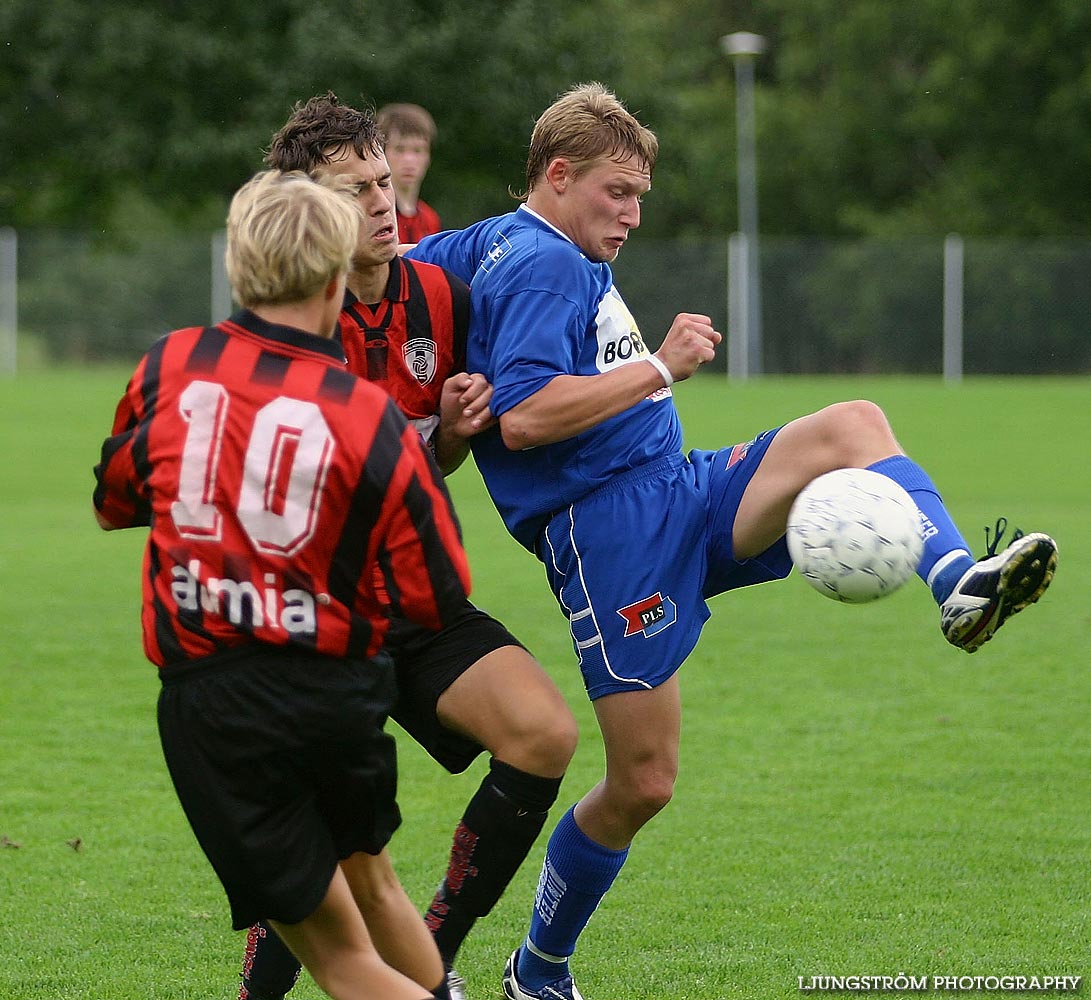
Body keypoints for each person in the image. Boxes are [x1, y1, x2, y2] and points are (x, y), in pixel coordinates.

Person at [404, 82, 1060, 1000]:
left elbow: (410, 263)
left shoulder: (500, 238)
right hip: (609, 534)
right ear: (558, 176)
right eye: (616, 193)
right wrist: (657, 367)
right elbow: (521, 419)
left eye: (640, 197)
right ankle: (538, 971)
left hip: (676, 487)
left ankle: (956, 581)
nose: (632, 215)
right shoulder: (542, 261)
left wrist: (359, 230)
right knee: (643, 781)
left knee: (851, 425)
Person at [93, 169, 474, 1000]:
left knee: (340, 961)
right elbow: (435, 593)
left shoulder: (174, 363)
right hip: (338, 694)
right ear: (338, 279)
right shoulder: (366, 414)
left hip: (218, 701)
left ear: (237, 267)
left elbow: (113, 500)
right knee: (374, 884)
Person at [236, 93, 579, 1000]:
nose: (383, 203)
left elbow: (431, 462)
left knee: (542, 734)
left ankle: (431, 962)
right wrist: (432, 441)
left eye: (384, 181)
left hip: (415, 595)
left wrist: (458, 433)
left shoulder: (439, 295)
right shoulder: (283, 324)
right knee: (329, 842)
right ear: (307, 212)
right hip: (315, 612)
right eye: (356, 192)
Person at [377, 102, 442, 244]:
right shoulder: (375, 214)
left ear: (428, 156)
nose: (409, 159)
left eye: (418, 150)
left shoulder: (430, 218)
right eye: (399, 149)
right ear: (382, 154)